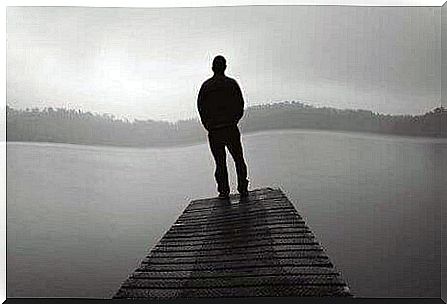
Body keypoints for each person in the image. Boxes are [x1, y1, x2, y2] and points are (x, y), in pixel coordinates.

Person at [197, 55, 249, 199]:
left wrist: (208, 125)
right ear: (225, 67)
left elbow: (201, 108)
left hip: (215, 131)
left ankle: (223, 192)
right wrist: (233, 121)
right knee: (239, 160)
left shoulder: (206, 86)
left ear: (213, 67)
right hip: (230, 128)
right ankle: (243, 189)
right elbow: (240, 105)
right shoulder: (231, 84)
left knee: (220, 163)